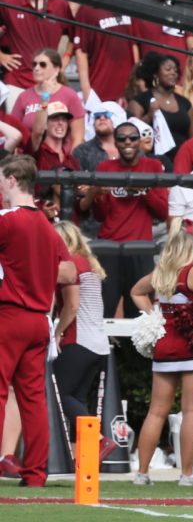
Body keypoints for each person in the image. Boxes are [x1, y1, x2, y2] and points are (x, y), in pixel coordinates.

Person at [0, 155, 73, 487]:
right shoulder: (47, 225)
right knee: (33, 398)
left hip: (10, 315)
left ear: (13, 180)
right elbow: (70, 271)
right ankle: (35, 474)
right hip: (39, 319)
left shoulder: (10, 220)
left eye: (2, 180)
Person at [131, 220, 193, 487]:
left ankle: (142, 473)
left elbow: (136, 291)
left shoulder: (162, 272)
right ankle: (187, 475)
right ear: (190, 245)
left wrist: (155, 316)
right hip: (192, 345)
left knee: (156, 412)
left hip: (166, 345)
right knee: (191, 412)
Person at [78, 120, 169, 318]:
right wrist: (97, 194)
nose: (128, 142)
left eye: (133, 138)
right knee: (104, 309)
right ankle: (106, 350)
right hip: (109, 247)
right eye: (122, 138)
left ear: (139, 141)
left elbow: (163, 212)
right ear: (116, 143)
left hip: (140, 248)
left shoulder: (152, 165)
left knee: (138, 314)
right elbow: (100, 216)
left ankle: (131, 351)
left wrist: (143, 190)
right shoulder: (105, 167)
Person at [51, 221, 108, 441]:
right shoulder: (88, 263)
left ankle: (99, 439)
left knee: (60, 395)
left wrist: (57, 333)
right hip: (97, 343)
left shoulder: (71, 264)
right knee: (77, 399)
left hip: (79, 340)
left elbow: (72, 306)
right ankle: (83, 455)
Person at [75, 0, 138, 103]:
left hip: (127, 91)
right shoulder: (87, 9)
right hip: (99, 88)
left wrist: (136, 83)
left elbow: (135, 45)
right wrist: (86, 89)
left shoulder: (130, 5)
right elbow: (80, 50)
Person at [10, 49, 86, 149]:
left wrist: (69, 161)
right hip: (30, 157)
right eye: (34, 64)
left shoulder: (70, 95)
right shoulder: (23, 96)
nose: (37, 68)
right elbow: (13, 129)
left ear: (57, 69)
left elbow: (78, 137)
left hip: (60, 159)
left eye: (42, 64)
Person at [128, 52, 193, 159]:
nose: (173, 73)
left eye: (175, 70)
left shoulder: (184, 102)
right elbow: (131, 133)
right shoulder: (140, 100)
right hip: (152, 161)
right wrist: (150, 115)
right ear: (155, 74)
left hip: (181, 162)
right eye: (168, 69)